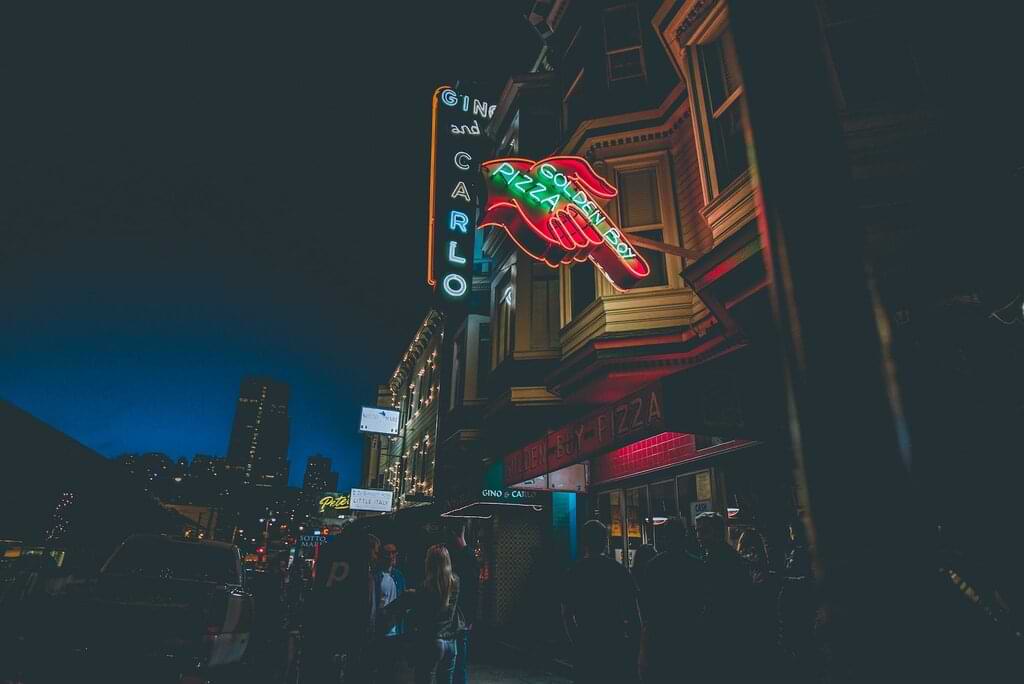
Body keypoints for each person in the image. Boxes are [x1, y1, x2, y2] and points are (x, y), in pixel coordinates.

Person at [561, 520, 641, 683]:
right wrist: (636, 645)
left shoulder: (575, 572)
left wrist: (577, 640)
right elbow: (633, 614)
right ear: (605, 541)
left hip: (586, 642)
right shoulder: (619, 571)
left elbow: (566, 614)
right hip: (615, 642)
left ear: (584, 542)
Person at [638, 518, 710, 683]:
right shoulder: (698, 566)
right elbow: (705, 602)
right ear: (684, 536)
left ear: (664, 538)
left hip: (661, 637)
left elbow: (647, 609)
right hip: (690, 635)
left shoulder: (653, 566)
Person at [385, 544, 462, 684]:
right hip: (451, 642)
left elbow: (418, 612)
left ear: (430, 563)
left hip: (431, 642)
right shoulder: (455, 582)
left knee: (424, 679)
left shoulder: (425, 587)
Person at [695, 512, 758, 674]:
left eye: (703, 531)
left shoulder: (719, 560)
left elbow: (715, 598)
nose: (699, 536)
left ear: (716, 532)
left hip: (723, 632)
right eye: (697, 531)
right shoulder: (724, 556)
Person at [444, 519, 478, 684]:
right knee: (458, 663)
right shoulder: (468, 557)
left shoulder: (459, 558)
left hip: (458, 618)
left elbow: (471, 591)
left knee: (454, 663)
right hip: (462, 618)